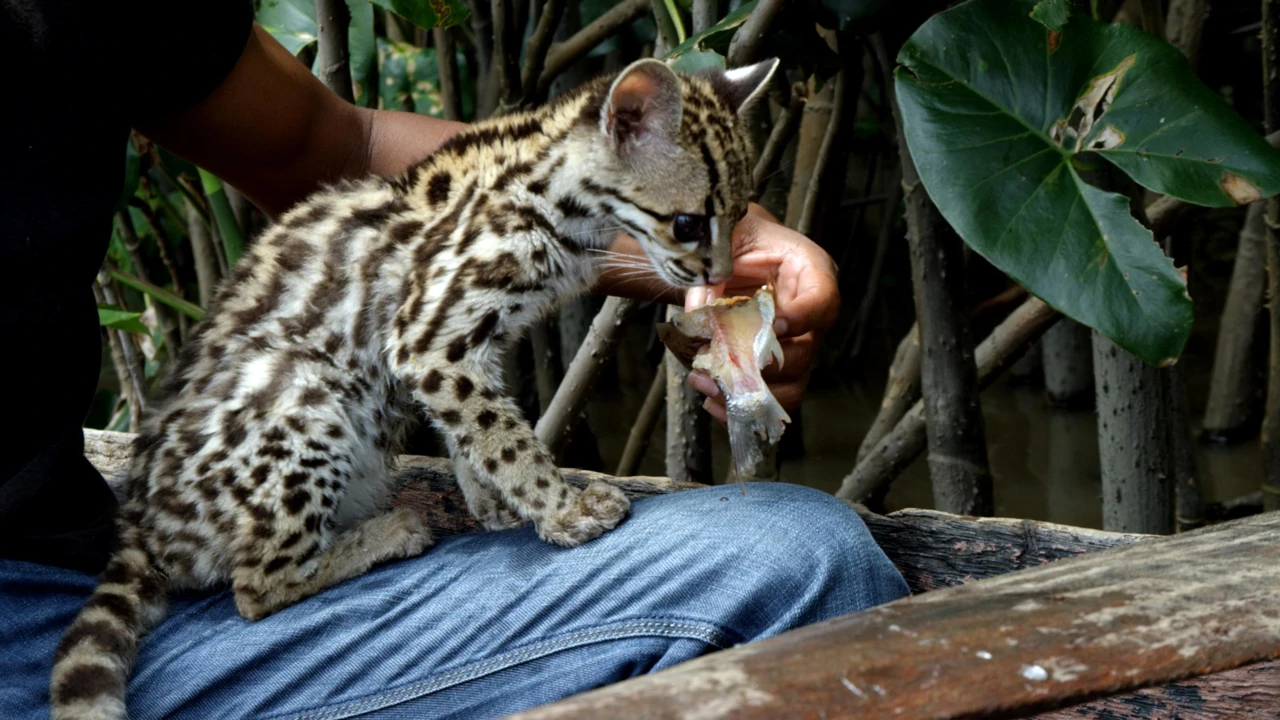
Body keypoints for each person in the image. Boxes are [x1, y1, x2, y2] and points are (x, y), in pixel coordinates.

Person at [0, 2, 910, 718]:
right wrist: (544, 497)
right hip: (197, 547)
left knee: (807, 557)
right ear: (623, 126)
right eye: (688, 229)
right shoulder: (519, 214)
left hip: (81, 570)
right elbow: (432, 353)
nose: (705, 256)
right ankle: (282, 573)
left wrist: (734, 244)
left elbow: (337, 147)